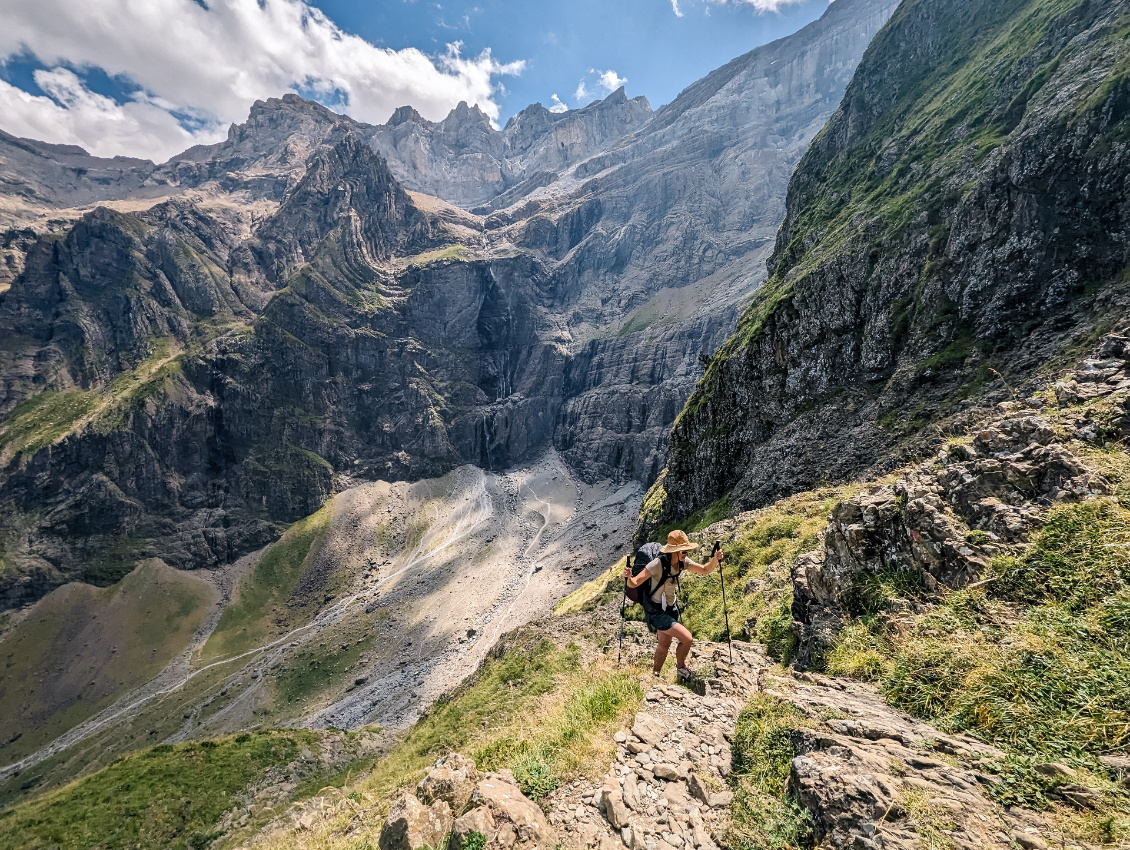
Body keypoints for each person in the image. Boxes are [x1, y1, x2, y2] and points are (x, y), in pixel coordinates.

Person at [623, 529, 723, 680]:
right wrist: (629, 577)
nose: (685, 553)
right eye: (682, 551)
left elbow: (704, 569)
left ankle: (655, 675)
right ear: (673, 551)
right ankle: (681, 668)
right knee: (687, 638)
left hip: (671, 608)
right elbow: (635, 582)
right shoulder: (657, 564)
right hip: (656, 611)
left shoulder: (682, 562)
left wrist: (715, 559)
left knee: (664, 644)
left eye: (686, 550)